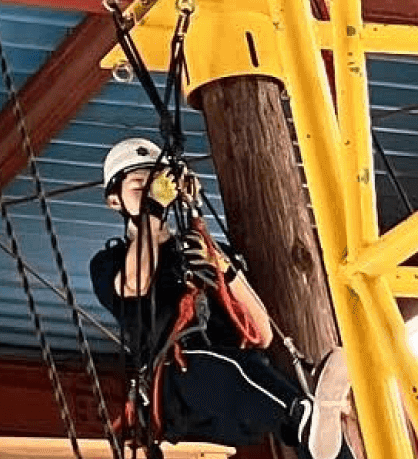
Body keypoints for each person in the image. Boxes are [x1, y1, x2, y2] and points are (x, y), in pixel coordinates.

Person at [89, 137, 352, 459]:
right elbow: (137, 282)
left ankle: (316, 436)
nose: (148, 193)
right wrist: (154, 210)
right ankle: (305, 422)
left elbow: (263, 332)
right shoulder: (109, 262)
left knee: (252, 370)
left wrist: (224, 270)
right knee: (218, 364)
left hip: (235, 393)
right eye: (137, 186)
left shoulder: (204, 250)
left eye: (154, 185)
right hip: (179, 389)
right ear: (115, 201)